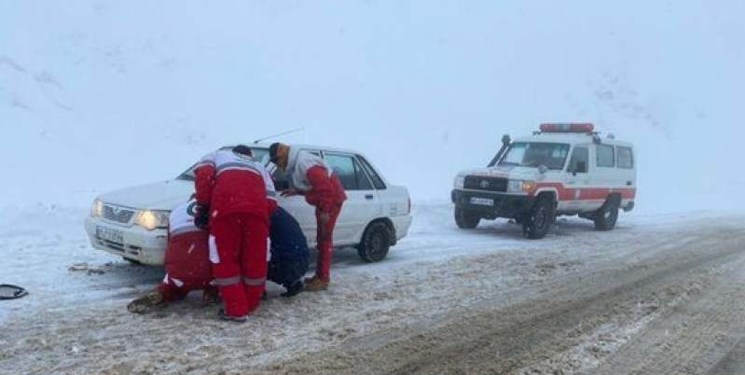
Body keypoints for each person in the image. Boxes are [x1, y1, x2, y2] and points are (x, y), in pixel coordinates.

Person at [194, 144, 277, 322]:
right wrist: (255, 211)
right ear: (250, 155)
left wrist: (203, 206)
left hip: (225, 211)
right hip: (257, 216)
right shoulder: (260, 167)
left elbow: (203, 176)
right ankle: (251, 303)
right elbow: (271, 200)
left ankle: (236, 310)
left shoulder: (218, 155)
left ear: (235, 153)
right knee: (255, 260)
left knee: (225, 259)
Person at [268, 142, 347, 291]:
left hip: (330, 201)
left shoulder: (304, 163)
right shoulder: (299, 161)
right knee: (322, 239)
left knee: (324, 239)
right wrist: (297, 191)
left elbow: (326, 189)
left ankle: (323, 279)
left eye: (276, 160)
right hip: (326, 200)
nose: (277, 165)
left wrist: (324, 211)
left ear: (283, 154)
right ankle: (320, 275)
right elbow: (315, 186)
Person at [127, 198, 218, 314]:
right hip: (208, 269)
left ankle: (161, 294)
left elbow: (170, 243)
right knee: (223, 275)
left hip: (179, 265)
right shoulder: (216, 209)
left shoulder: (177, 211)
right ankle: (212, 294)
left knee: (175, 284)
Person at [268, 206, 310, 297]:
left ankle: (255, 291)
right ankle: (292, 282)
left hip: (289, 264)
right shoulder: (277, 210)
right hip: (301, 261)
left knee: (252, 264)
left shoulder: (265, 214)